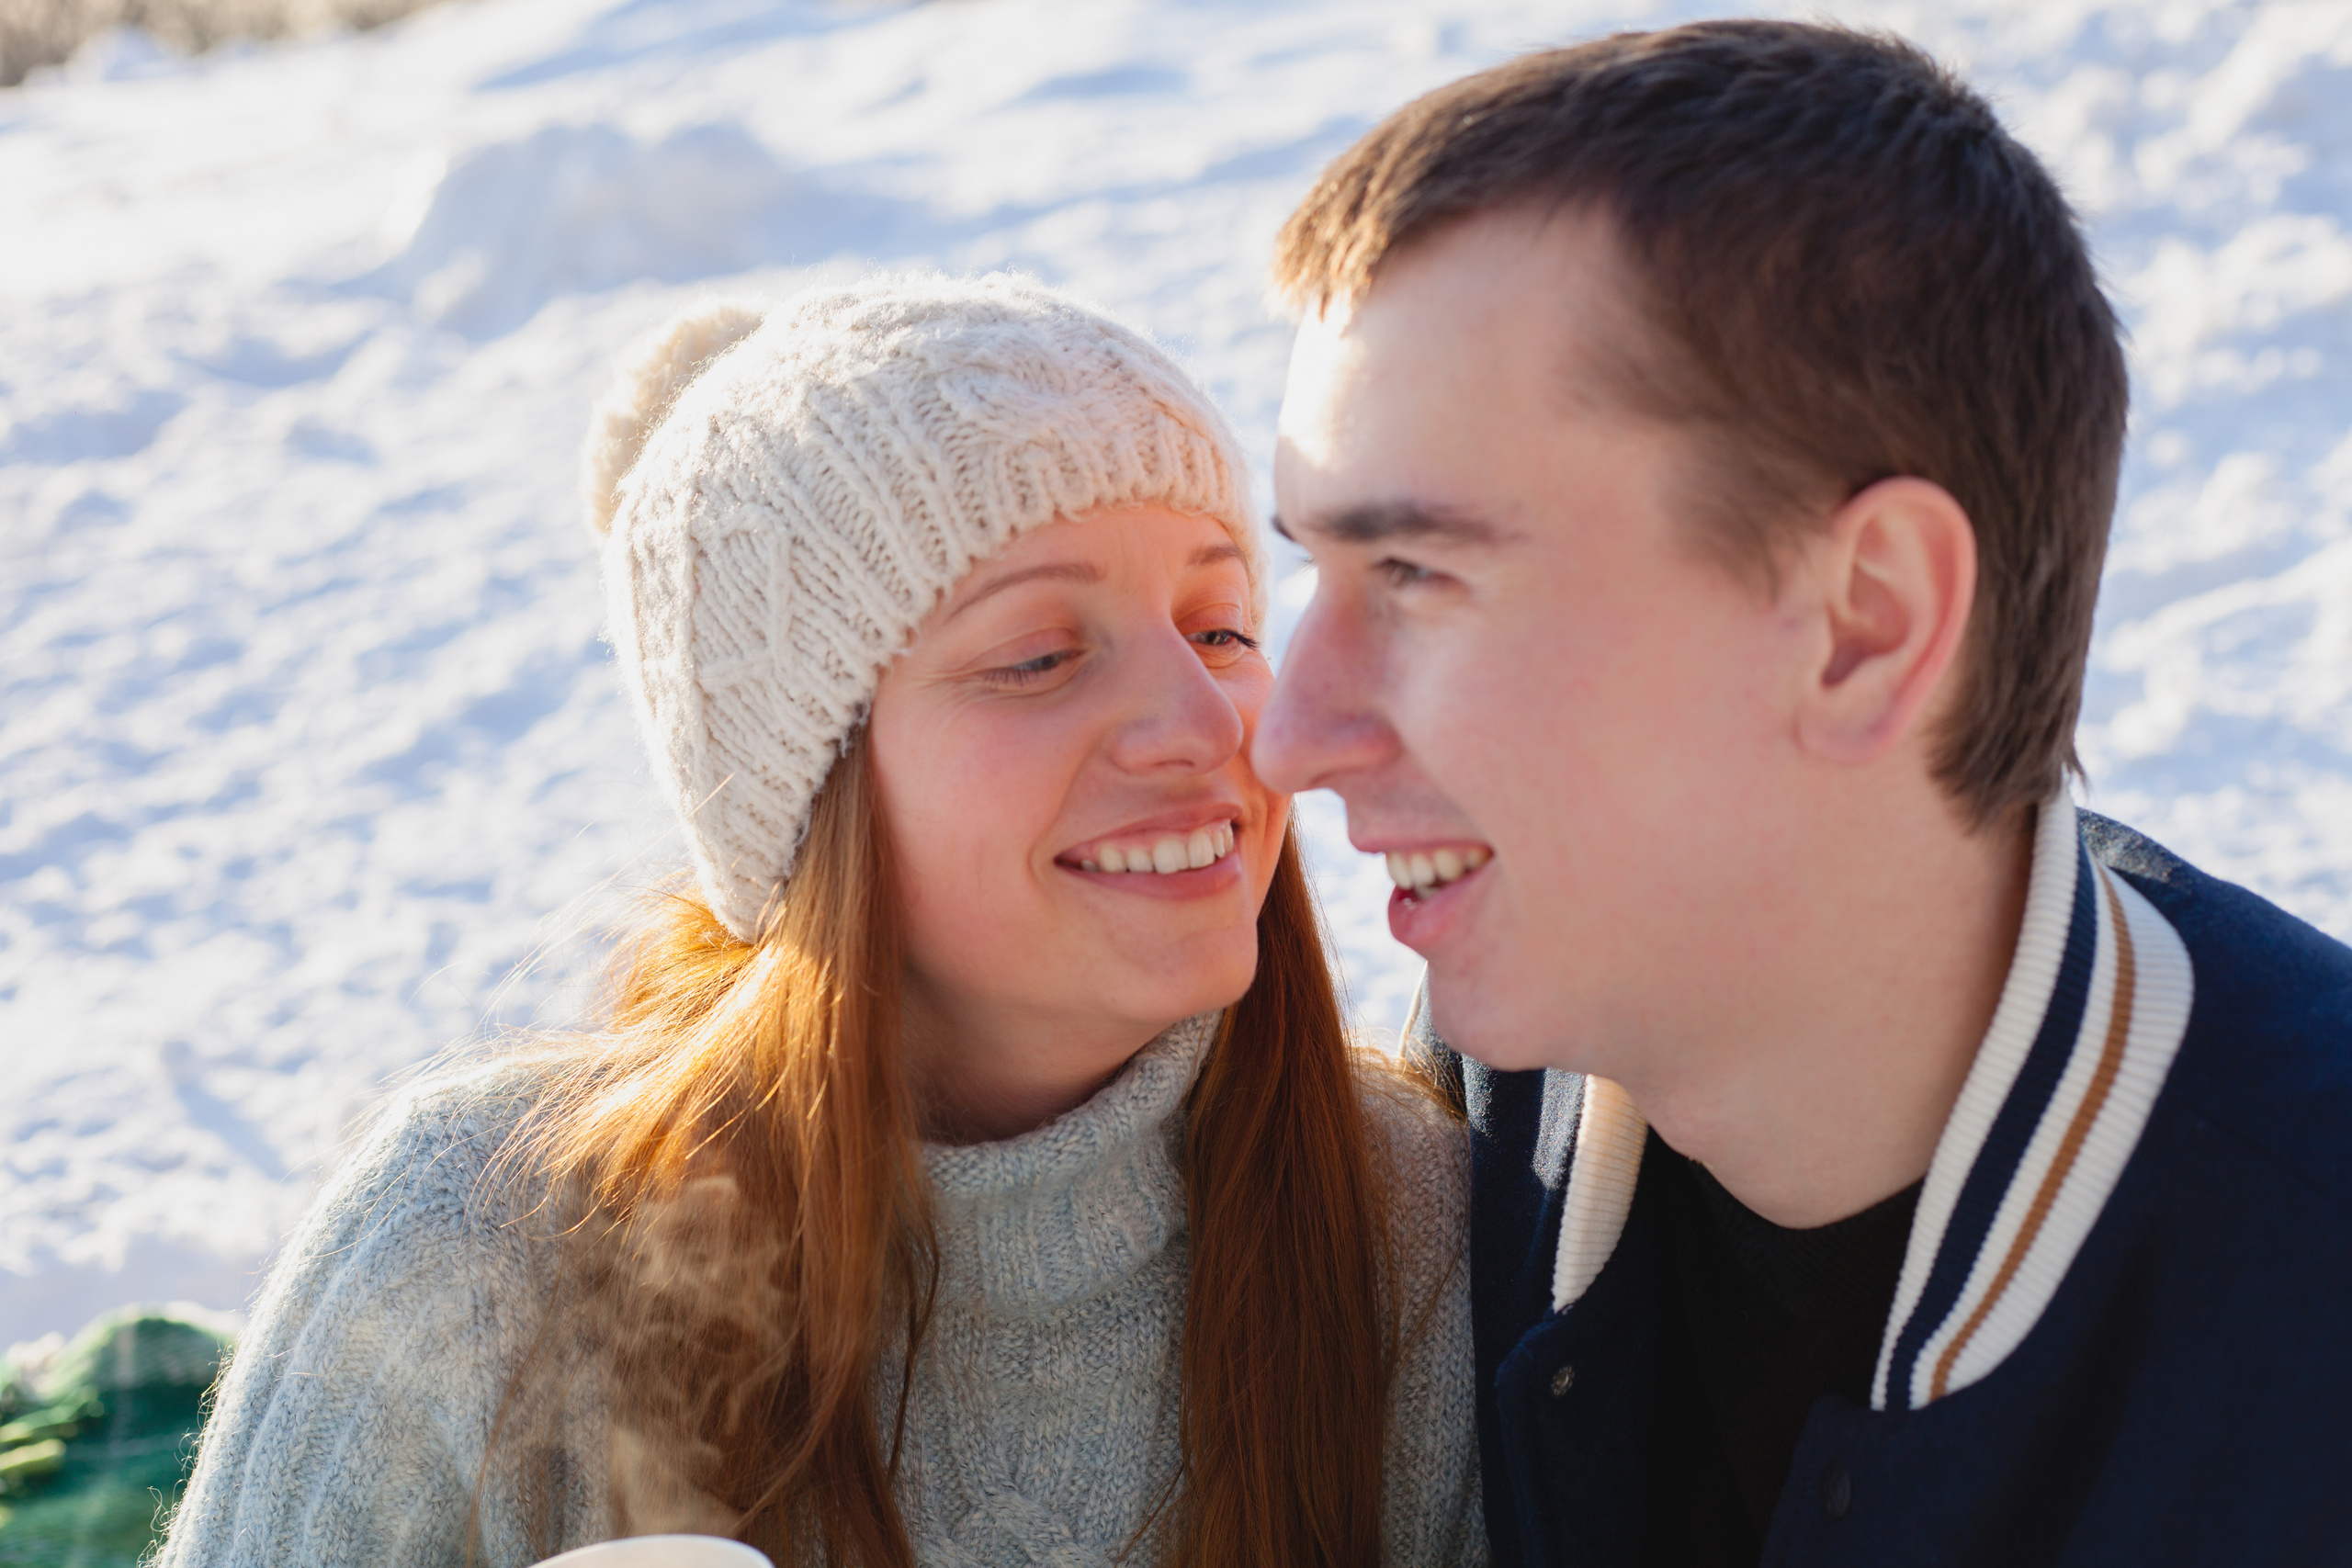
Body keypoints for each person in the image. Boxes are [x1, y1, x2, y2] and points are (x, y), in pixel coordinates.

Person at [157, 276, 1487, 1568]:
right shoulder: (477, 1250)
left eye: (1219, 630)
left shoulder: (1410, 1236)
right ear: (806, 792)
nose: (1210, 730)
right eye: (1039, 656)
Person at [1254, 20, 2352, 1568]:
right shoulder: (1464, 1156)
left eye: (1419, 575)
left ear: (1866, 626)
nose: (1286, 732)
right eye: (1316, 571)